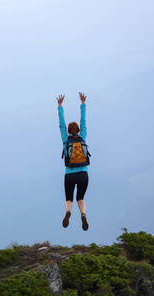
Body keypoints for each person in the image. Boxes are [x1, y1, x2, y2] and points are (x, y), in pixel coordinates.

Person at [57, 92, 89, 231]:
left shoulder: (65, 139)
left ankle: (68, 212)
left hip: (69, 174)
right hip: (83, 173)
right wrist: (83, 103)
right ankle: (83, 214)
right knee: (80, 198)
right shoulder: (83, 136)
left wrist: (60, 106)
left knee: (69, 199)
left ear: (68, 131)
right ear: (79, 130)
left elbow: (61, 124)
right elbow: (84, 121)